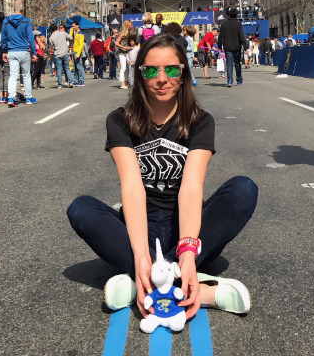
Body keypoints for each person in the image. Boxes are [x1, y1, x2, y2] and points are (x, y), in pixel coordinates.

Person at [67, 34, 258, 321]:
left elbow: (192, 188)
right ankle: (196, 288)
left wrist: (188, 252)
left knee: (243, 189)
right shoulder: (119, 120)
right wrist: (142, 255)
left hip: (187, 223)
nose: (161, 78)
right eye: (150, 70)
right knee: (80, 208)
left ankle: (145, 283)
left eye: (171, 69)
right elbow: (131, 186)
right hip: (141, 225)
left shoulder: (200, 120)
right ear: (140, 75)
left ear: (183, 74)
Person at [1, 0, 37, 106]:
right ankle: (28, 98)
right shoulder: (26, 21)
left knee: (13, 75)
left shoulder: (6, 21)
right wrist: (34, 52)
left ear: (13, 8)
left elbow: (4, 37)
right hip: (24, 50)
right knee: (26, 75)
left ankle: (11, 98)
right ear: (23, 9)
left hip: (12, 51)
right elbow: (30, 38)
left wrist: (4, 51)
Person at [217, 8, 248, 87]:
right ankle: (239, 80)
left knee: (229, 64)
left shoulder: (224, 25)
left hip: (227, 47)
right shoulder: (238, 25)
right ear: (237, 15)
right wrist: (245, 47)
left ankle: (230, 81)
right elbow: (242, 36)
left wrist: (219, 46)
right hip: (237, 47)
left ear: (229, 14)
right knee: (237, 63)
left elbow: (220, 37)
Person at [48, 23, 74, 89]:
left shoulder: (51, 37)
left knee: (59, 69)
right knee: (67, 68)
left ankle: (59, 84)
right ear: (56, 28)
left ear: (51, 30)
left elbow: (52, 47)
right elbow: (71, 38)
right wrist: (70, 46)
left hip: (57, 54)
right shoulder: (63, 33)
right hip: (65, 53)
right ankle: (70, 82)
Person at [115, 19, 133, 90]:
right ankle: (122, 83)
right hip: (122, 52)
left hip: (127, 52)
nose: (132, 26)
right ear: (128, 26)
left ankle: (127, 81)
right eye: (131, 25)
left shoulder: (128, 32)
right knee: (123, 67)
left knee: (127, 68)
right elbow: (116, 43)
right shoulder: (123, 33)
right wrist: (124, 47)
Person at [69, 21, 85, 87]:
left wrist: (78, 53)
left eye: (74, 26)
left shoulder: (80, 34)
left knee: (79, 67)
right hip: (74, 51)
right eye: (72, 26)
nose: (73, 27)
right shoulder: (75, 33)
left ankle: (81, 80)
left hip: (78, 52)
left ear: (77, 26)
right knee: (75, 67)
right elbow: (70, 38)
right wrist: (71, 31)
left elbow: (81, 44)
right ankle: (76, 80)